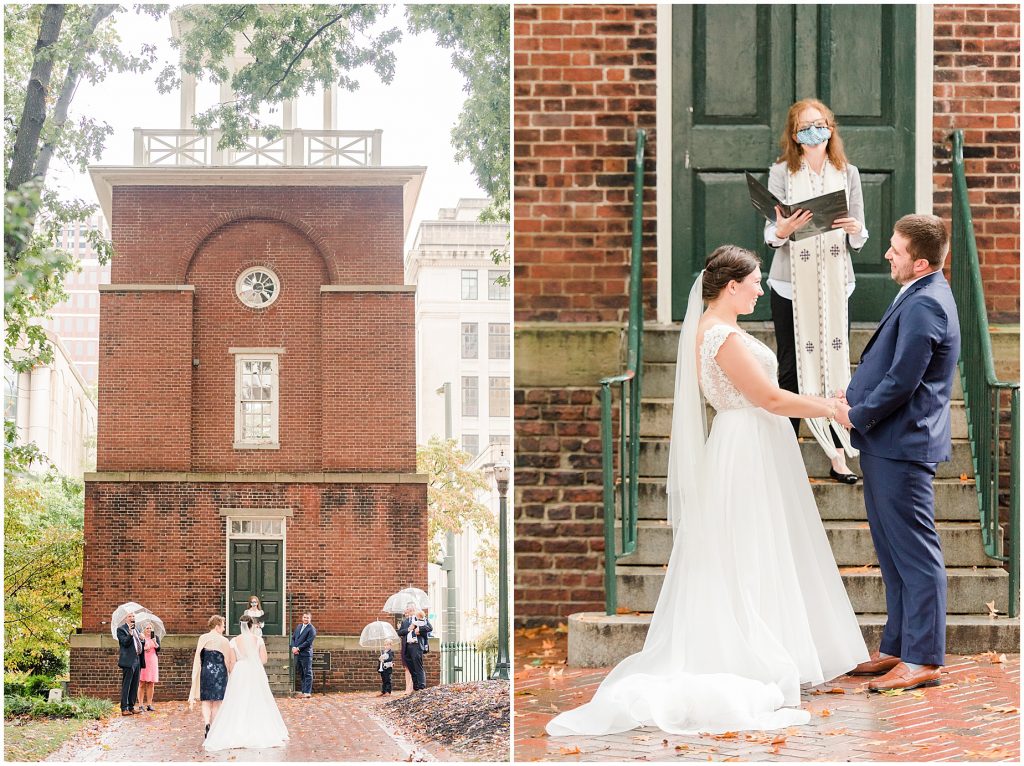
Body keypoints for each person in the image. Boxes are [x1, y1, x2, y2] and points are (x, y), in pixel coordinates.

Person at [546, 246, 868, 737]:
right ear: (732, 286)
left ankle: (773, 645)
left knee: (759, 546)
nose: (762, 289)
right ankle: (749, 653)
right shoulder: (719, 335)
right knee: (745, 547)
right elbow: (768, 397)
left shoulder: (718, 331)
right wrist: (828, 408)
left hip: (753, 441)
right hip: (746, 443)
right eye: (756, 281)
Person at [835, 215, 960, 693]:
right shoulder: (918, 291)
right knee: (891, 552)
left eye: (896, 249)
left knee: (915, 553)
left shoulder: (927, 303)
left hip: (902, 443)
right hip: (887, 442)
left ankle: (924, 657)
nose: (887, 254)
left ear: (921, 261)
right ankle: (896, 647)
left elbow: (905, 380)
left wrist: (857, 414)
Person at [764, 98, 868, 484]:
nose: (814, 132)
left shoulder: (848, 173)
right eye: (805, 127)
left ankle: (839, 453)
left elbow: (860, 232)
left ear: (830, 128)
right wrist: (782, 231)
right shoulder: (781, 174)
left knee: (836, 367)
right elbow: (769, 233)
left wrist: (855, 230)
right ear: (795, 135)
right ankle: (788, 454)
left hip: (836, 283)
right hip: (790, 285)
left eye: (820, 125)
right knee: (790, 370)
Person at [204, 615, 290, 751]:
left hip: (240, 671)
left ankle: (237, 729)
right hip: (254, 671)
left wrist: (233, 674)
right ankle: (258, 728)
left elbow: (232, 661)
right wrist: (253, 664)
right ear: (251, 626)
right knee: (257, 699)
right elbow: (264, 659)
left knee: (238, 700)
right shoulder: (258, 640)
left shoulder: (233, 641)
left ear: (240, 625)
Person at [188, 615, 234, 739]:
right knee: (217, 702)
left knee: (206, 701)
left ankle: (207, 723)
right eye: (223, 626)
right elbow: (227, 660)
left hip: (206, 671)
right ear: (217, 626)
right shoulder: (224, 641)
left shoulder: (203, 638)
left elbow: (198, 656)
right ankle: (213, 728)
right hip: (220, 673)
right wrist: (232, 673)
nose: (224, 629)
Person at [116, 612, 144, 716]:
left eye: (133, 616)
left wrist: (142, 639)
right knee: (126, 685)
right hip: (128, 660)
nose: (132, 618)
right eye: (130, 616)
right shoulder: (121, 629)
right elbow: (125, 643)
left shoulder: (137, 629)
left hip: (137, 659)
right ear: (125, 619)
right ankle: (124, 708)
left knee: (135, 684)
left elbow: (138, 645)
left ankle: (131, 707)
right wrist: (130, 633)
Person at [398, 606, 431, 691]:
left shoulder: (421, 618)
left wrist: (419, 629)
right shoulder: (405, 622)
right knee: (411, 667)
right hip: (407, 646)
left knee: (418, 666)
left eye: (412, 610)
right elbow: (400, 632)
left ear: (415, 610)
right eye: (408, 610)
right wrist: (409, 629)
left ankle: (421, 686)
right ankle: (415, 687)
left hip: (416, 645)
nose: (410, 612)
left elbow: (429, 628)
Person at [290, 611, 316, 698]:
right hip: (297, 653)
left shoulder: (311, 629)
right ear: (302, 618)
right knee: (301, 672)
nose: (305, 619)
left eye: (307, 618)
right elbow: (293, 638)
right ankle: (303, 690)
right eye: (304, 617)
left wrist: (298, 648)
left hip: (306, 654)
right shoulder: (299, 626)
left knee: (307, 672)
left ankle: (307, 692)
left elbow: (308, 642)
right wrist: (293, 647)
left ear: (310, 619)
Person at [136, 622, 160, 712]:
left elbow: (158, 648)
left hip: (153, 661)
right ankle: (141, 704)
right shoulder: (141, 637)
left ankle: (149, 704)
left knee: (151, 683)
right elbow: (138, 649)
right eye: (147, 628)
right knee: (142, 683)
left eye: (150, 628)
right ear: (144, 630)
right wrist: (145, 648)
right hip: (144, 660)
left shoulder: (155, 637)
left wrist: (154, 642)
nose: (149, 630)